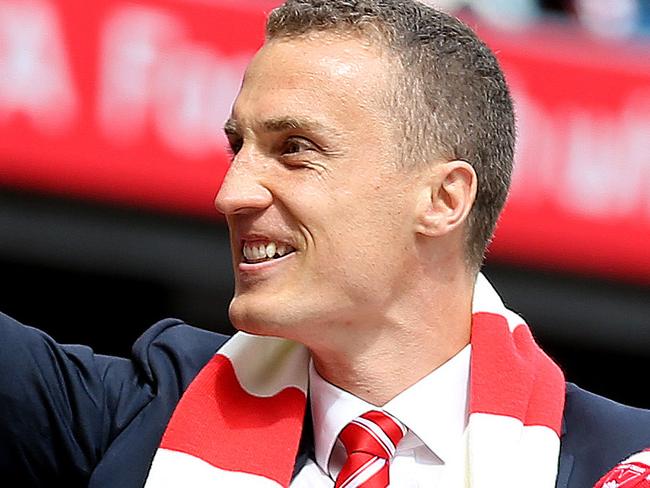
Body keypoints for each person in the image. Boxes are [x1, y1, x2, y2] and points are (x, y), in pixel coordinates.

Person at [1, 1, 650, 487]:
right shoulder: (145, 409)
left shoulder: (618, 464)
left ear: (443, 200)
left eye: (294, 150)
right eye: (238, 148)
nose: (233, 194)